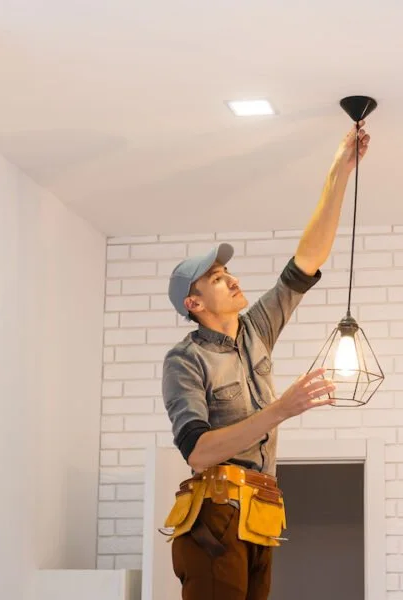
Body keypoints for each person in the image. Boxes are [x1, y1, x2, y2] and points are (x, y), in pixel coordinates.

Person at [159, 121, 371, 599]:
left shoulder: (255, 330)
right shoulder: (185, 360)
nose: (231, 280)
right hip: (214, 517)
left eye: (228, 271)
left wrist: (340, 172)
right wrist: (280, 410)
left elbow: (306, 261)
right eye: (216, 278)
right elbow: (198, 451)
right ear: (194, 304)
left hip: (261, 513)